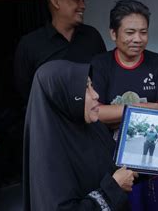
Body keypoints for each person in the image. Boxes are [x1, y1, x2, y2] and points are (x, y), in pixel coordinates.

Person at [90, 0, 158, 211]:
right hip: (115, 169)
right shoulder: (101, 64)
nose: (137, 39)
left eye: (143, 32)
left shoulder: (157, 62)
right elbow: (95, 113)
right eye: (130, 32)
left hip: (156, 166)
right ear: (113, 34)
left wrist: (117, 115)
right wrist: (149, 108)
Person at [23, 60, 136, 210]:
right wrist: (113, 188)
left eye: (92, 85)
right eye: (85, 88)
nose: (95, 95)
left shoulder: (91, 126)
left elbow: (120, 164)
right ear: (63, 96)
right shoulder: (48, 154)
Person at [14, 0, 106, 104]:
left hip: (92, 117)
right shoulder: (31, 43)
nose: (83, 6)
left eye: (83, 0)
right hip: (52, 120)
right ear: (56, 2)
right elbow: (25, 91)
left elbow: (104, 75)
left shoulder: (92, 36)